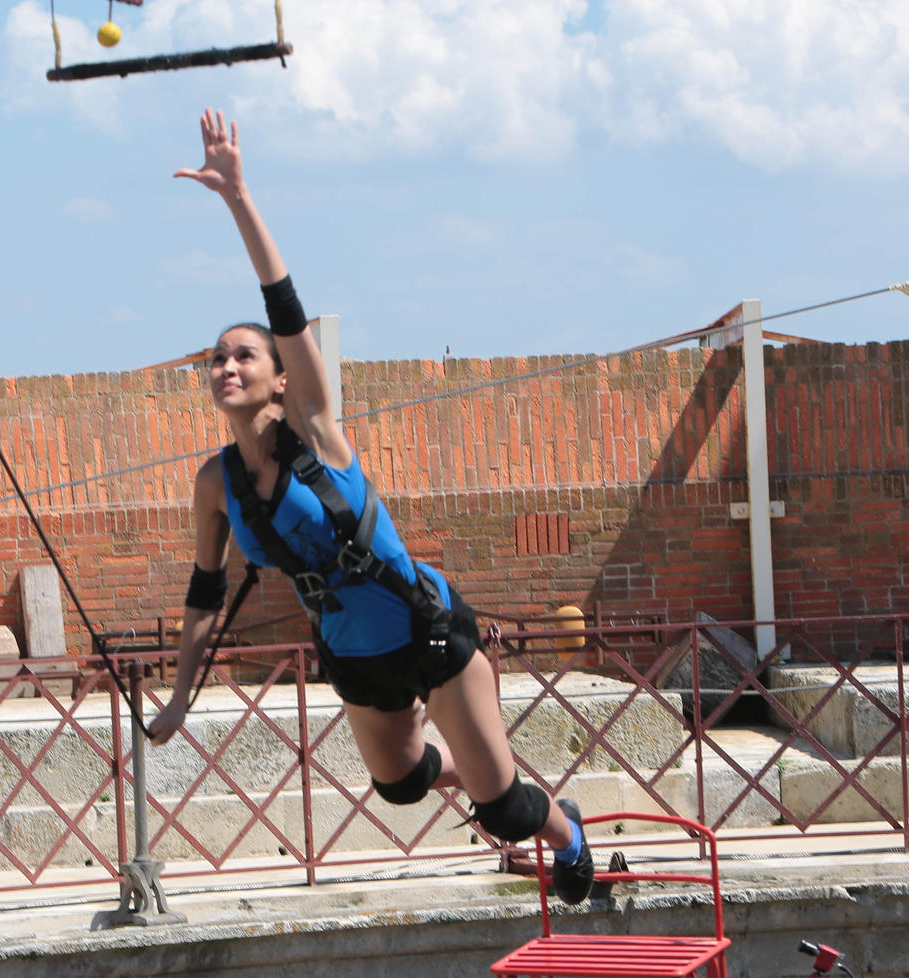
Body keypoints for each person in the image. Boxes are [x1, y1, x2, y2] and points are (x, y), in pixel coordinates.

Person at [144, 110, 596, 905]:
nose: (226, 365)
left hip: (425, 626)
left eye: (242, 355)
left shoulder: (317, 433)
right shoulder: (213, 484)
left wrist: (238, 200)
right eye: (215, 358)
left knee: (503, 810)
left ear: (280, 377)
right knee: (402, 784)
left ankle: (567, 827)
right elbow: (203, 596)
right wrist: (180, 695)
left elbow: (286, 309)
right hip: (352, 652)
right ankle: (465, 752)